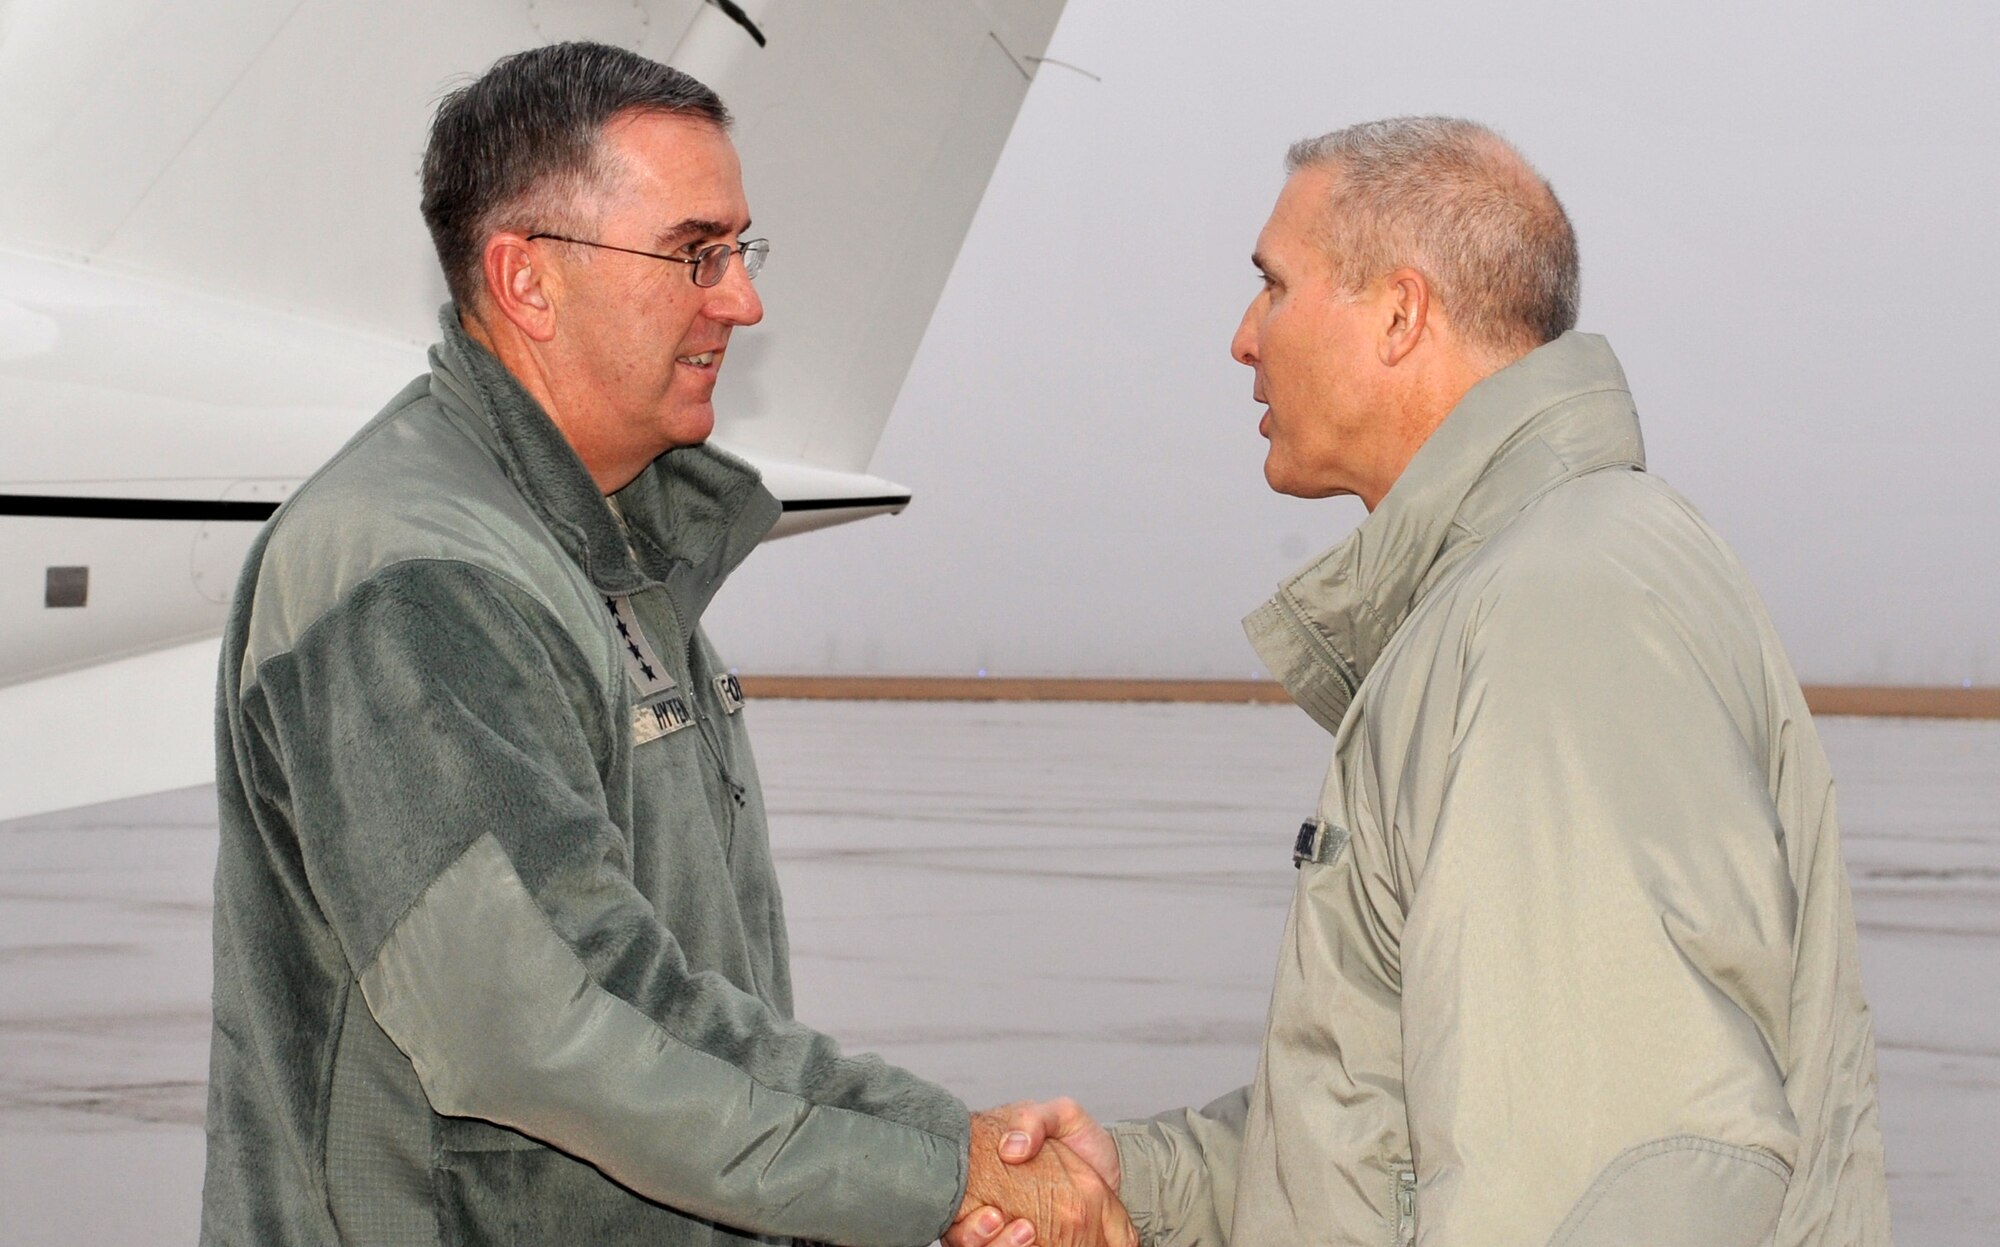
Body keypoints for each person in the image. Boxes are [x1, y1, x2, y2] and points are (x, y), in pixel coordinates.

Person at [199, 41, 1130, 1247]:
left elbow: (687, 1011)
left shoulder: (611, 556)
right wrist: (941, 1172)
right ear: (527, 280)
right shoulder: (418, 577)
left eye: (739, 252)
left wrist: (936, 1155)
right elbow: (555, 1020)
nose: (740, 299)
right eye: (696, 253)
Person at [953, 117, 1894, 1246]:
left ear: (1398, 313)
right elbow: (1401, 1126)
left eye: (1272, 286)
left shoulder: (1558, 613)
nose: (1241, 337)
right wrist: (1138, 1183)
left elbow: (1623, 1179)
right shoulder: (1518, 589)